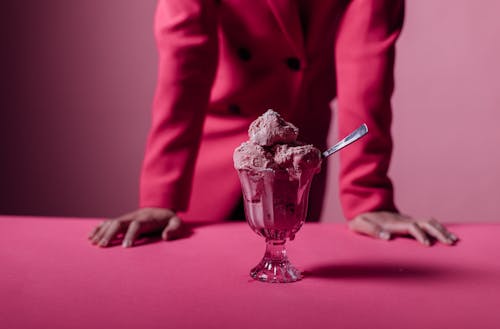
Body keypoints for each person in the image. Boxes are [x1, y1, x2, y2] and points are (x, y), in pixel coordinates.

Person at [89, 0, 458, 248]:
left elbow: (366, 60)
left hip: (298, 149)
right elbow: (184, 61)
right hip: (213, 147)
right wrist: (160, 197)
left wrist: (368, 196)